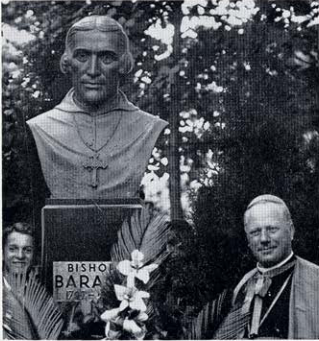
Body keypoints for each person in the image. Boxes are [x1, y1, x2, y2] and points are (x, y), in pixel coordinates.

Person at [26, 15, 168, 200]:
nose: (93, 70)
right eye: (82, 56)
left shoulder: (148, 127)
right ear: (68, 62)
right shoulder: (41, 127)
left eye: (106, 58)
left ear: (123, 64)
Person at [214, 194, 319, 339]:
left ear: (291, 231)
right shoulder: (243, 285)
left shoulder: (315, 280)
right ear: (248, 239)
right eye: (255, 232)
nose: (264, 239)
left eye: (272, 229)